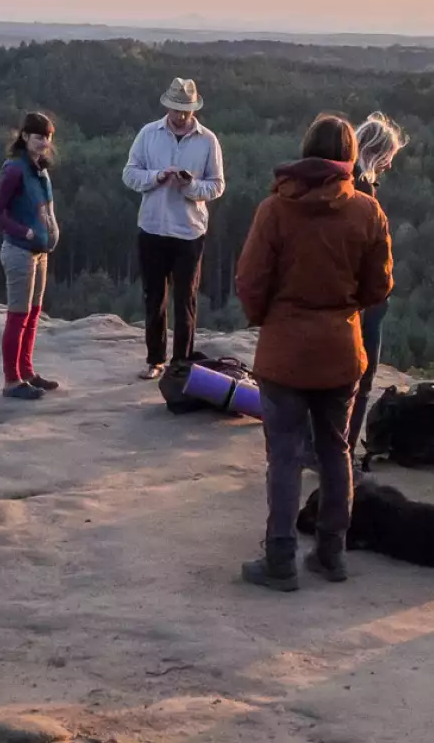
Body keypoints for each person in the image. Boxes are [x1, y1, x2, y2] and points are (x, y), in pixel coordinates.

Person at [233, 114, 394, 592]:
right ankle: (331, 553)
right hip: (341, 350)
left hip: (284, 350)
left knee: (283, 456)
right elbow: (380, 285)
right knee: (336, 450)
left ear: (305, 150)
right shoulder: (367, 211)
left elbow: (250, 280)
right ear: (348, 159)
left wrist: (269, 318)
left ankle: (280, 558)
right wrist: (343, 311)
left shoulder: (275, 209)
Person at [122, 77, 226, 379]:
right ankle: (155, 359)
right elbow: (129, 173)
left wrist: (190, 186)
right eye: (176, 110)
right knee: (153, 298)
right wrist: (156, 177)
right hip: (153, 228)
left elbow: (218, 185)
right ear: (167, 106)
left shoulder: (208, 140)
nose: (181, 116)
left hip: (189, 232)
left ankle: (181, 365)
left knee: (186, 300)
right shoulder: (148, 134)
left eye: (186, 111)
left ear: (193, 109)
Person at [344, 112, 410, 454]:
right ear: (377, 152)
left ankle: (321, 447)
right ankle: (344, 453)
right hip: (365, 298)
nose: (388, 166)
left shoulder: (339, 182)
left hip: (343, 294)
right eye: (389, 158)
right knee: (362, 376)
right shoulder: (363, 189)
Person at [0, 112, 62, 401]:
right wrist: (25, 233)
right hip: (19, 251)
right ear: (25, 137)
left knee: (32, 315)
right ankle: (11, 380)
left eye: (48, 137)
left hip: (40, 254)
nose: (44, 142)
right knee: (18, 316)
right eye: (39, 136)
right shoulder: (15, 169)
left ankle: (27, 372)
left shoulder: (39, 169)